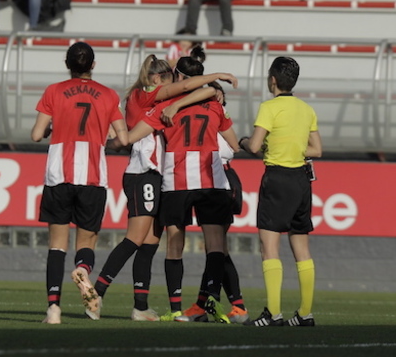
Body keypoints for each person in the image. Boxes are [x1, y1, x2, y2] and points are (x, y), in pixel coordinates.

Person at [98, 54, 238, 322]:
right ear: (157, 79)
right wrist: (217, 82)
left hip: (168, 178)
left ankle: (146, 305)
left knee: (153, 243)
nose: (172, 84)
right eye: (168, 80)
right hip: (153, 173)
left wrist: (109, 142)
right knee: (141, 239)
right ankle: (99, 290)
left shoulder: (163, 103)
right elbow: (230, 141)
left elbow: (130, 136)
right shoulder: (151, 97)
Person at [31, 42, 129, 324]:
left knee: (56, 245)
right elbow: (122, 139)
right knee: (86, 241)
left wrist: (50, 126)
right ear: (93, 66)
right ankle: (83, 269)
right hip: (93, 176)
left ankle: (53, 309)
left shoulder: (54, 91)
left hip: (58, 174)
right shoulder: (109, 95)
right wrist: (103, 142)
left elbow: (37, 134)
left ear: (67, 64)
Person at [152, 52, 248, 324]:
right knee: (216, 245)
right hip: (211, 179)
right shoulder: (216, 106)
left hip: (177, 178)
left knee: (174, 244)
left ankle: (175, 307)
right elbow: (233, 144)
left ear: (180, 78)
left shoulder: (166, 103)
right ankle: (212, 302)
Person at [238, 57, 322, 328]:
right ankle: (305, 314)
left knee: (269, 247)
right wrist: (291, 148)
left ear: (272, 80)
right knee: (302, 248)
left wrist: (244, 141)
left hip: (277, 179)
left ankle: (273, 314)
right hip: (301, 181)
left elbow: (253, 146)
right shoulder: (306, 109)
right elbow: (316, 150)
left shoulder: (269, 107)